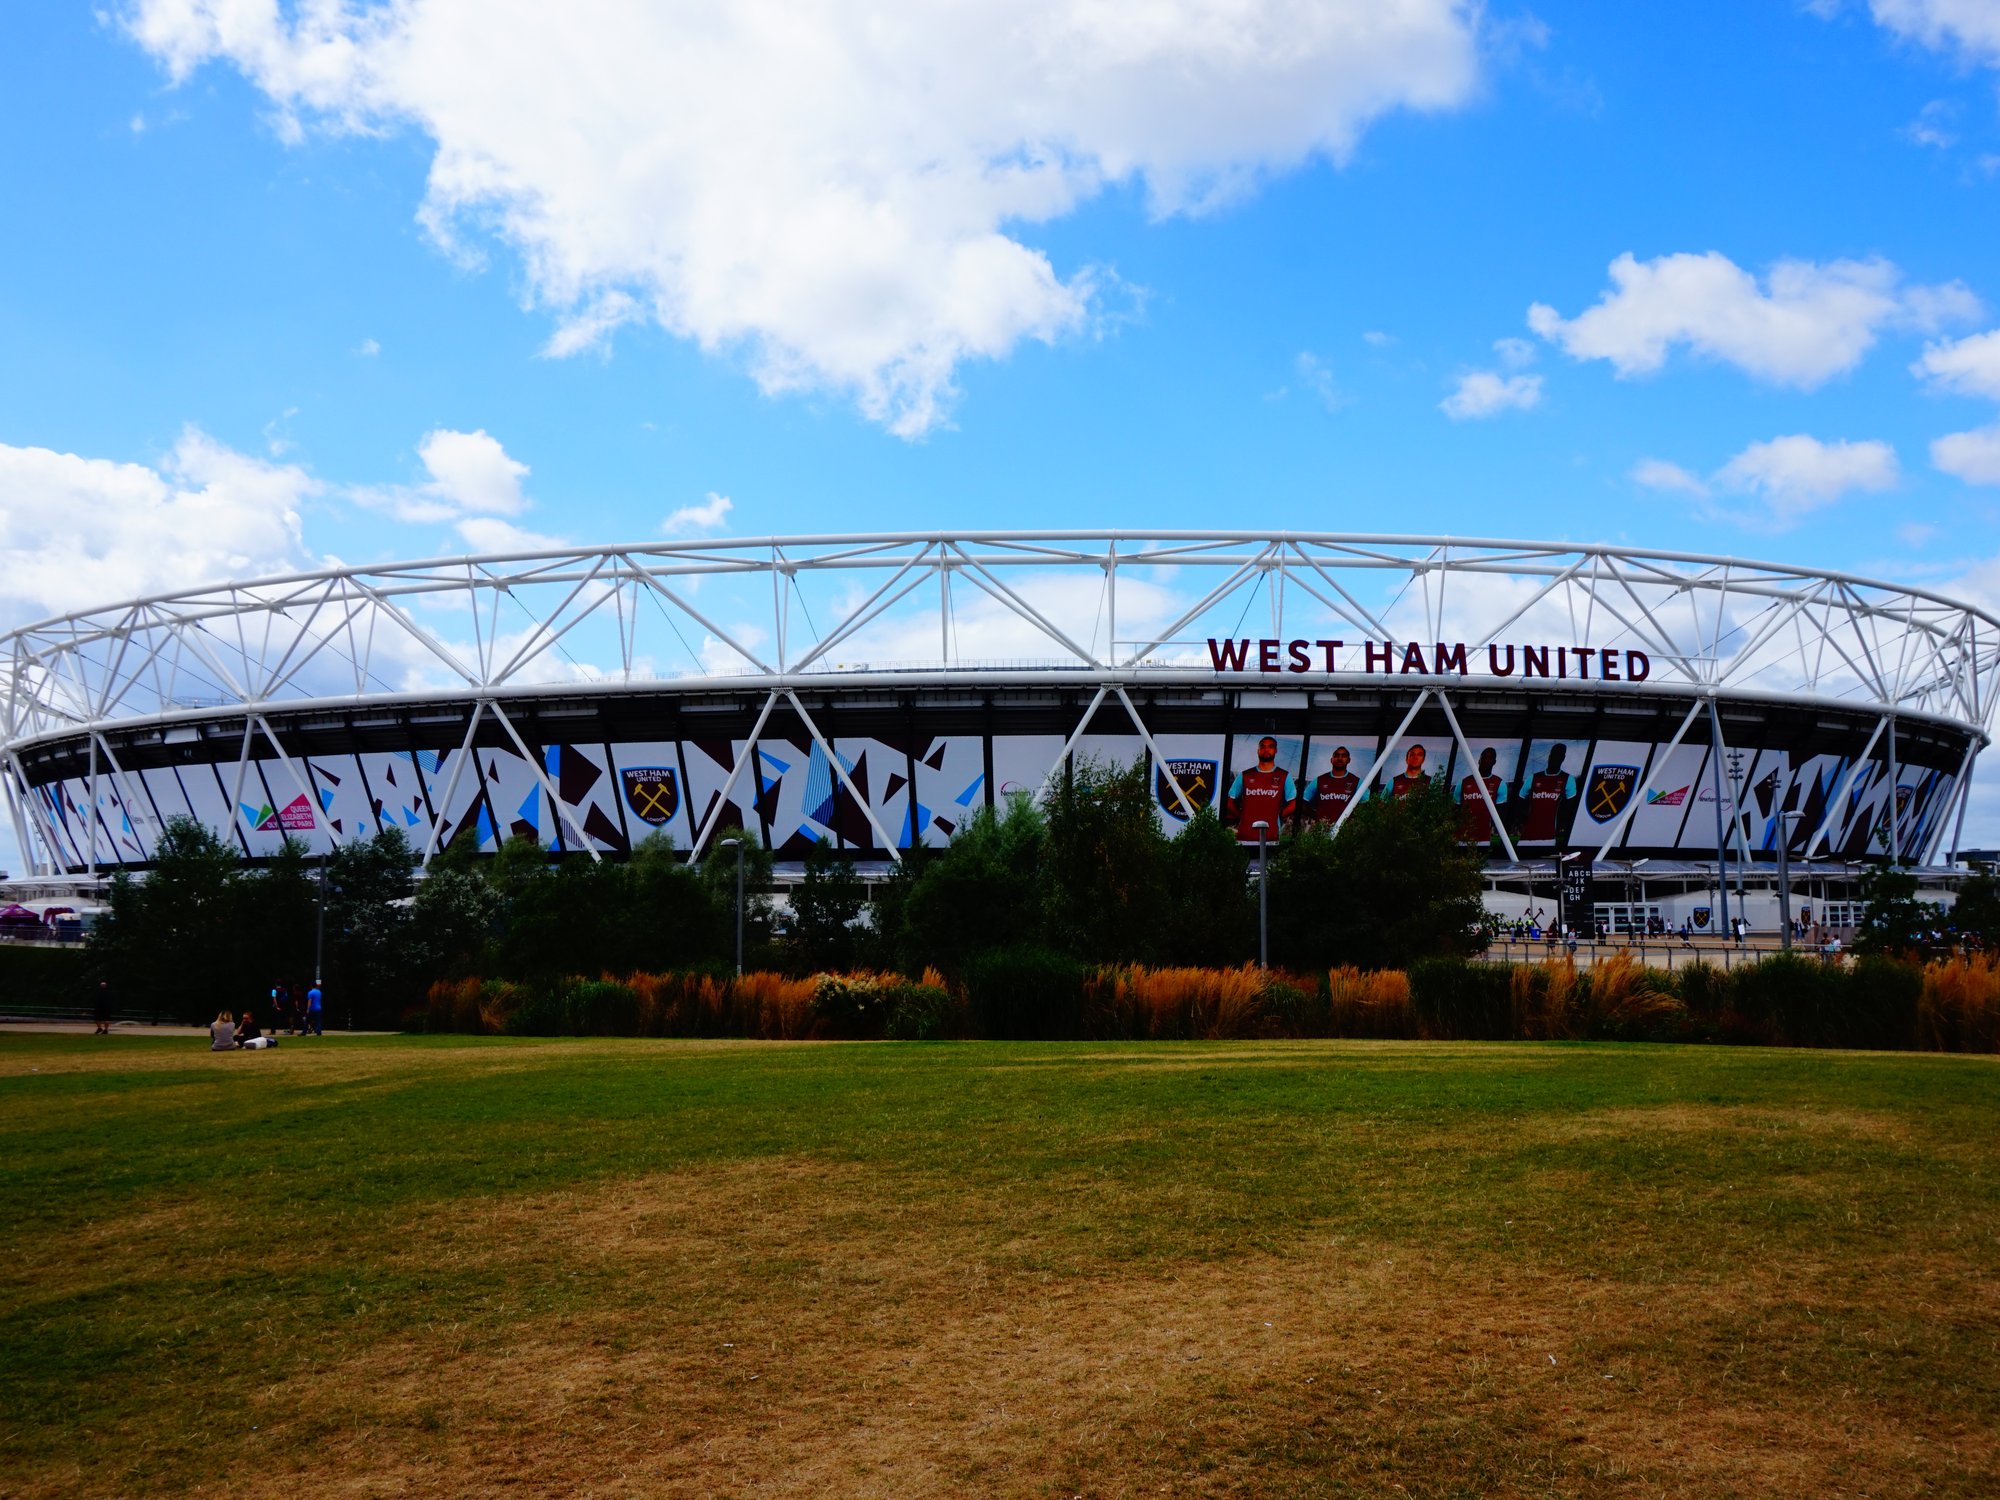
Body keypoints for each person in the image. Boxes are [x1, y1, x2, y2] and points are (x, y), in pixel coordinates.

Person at [1225, 736, 1295, 842]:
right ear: (1258, 750)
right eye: (1263, 747)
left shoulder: (1284, 776)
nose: (1266, 749)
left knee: (1269, 858)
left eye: (1270, 747)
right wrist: (1241, 817)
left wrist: (1279, 815)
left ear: (1276, 750)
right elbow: (1229, 802)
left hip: (1271, 836)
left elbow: (1294, 804)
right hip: (1245, 835)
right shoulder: (1245, 775)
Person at [1520, 744, 1577, 844]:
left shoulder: (1568, 779)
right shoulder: (1533, 778)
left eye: (1558, 755)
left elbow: (1570, 808)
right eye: (1553, 755)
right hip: (1527, 836)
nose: (1554, 758)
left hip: (1549, 836)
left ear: (1563, 758)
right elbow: (1520, 799)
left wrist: (1560, 825)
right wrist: (1524, 818)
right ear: (1549, 756)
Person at [1457, 746, 1505, 843]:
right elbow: (1455, 808)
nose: (1486, 760)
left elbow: (1501, 813)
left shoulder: (1499, 783)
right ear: (1479, 760)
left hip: (1483, 836)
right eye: (1484, 757)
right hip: (1462, 836)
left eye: (1490, 758)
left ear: (1494, 762)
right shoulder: (1463, 782)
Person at [1306, 745, 1361, 827]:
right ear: (1331, 760)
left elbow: (1369, 803)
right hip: (1322, 830)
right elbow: (1303, 801)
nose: (1340, 758)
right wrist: (1316, 815)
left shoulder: (1356, 781)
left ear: (1348, 760)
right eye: (1337, 755)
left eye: (1343, 756)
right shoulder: (1319, 780)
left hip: (1345, 831)